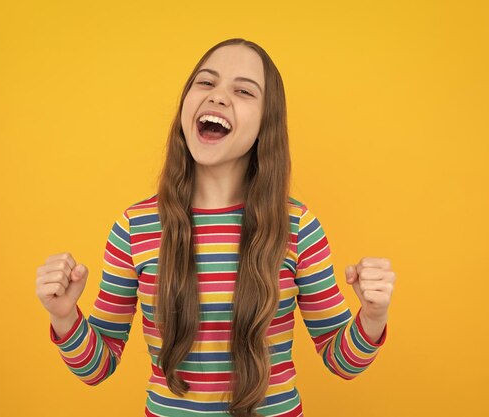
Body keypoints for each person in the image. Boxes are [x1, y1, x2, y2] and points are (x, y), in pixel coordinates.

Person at [35, 38, 397, 417]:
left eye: (242, 90)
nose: (219, 97)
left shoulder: (298, 226)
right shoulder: (135, 227)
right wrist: (64, 316)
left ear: (264, 124)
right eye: (206, 83)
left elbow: (343, 361)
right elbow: (96, 367)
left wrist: (373, 318)